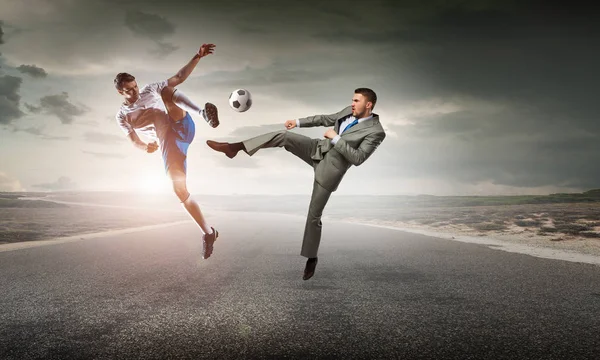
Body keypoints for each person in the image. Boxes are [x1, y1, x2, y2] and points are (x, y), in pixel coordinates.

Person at [206, 88, 386, 279]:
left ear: (369, 105)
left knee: (313, 216)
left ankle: (311, 257)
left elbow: (357, 158)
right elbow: (325, 118)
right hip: (316, 148)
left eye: (356, 101)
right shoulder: (349, 111)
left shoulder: (376, 132)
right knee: (285, 136)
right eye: (352, 100)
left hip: (329, 171)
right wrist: (298, 122)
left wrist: (336, 138)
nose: (352, 103)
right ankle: (235, 147)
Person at [114, 43, 220, 259]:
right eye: (129, 90)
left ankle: (203, 113)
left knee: (166, 90)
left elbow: (179, 77)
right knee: (179, 191)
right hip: (168, 145)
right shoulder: (122, 116)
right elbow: (134, 140)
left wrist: (197, 56)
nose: (134, 91)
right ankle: (208, 233)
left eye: (135, 86)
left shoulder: (150, 89)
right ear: (120, 92)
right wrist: (146, 147)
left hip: (179, 125)